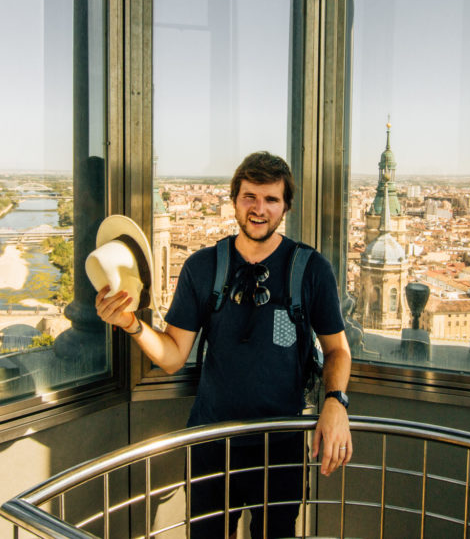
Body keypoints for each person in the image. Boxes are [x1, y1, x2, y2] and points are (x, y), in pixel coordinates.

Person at [96, 151, 352, 538]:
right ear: (234, 201)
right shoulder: (203, 267)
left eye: (271, 199)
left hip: (280, 446)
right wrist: (131, 324)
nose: (259, 209)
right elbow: (172, 356)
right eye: (249, 196)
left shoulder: (311, 269)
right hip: (212, 444)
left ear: (286, 207)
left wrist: (336, 403)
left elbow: (337, 350)